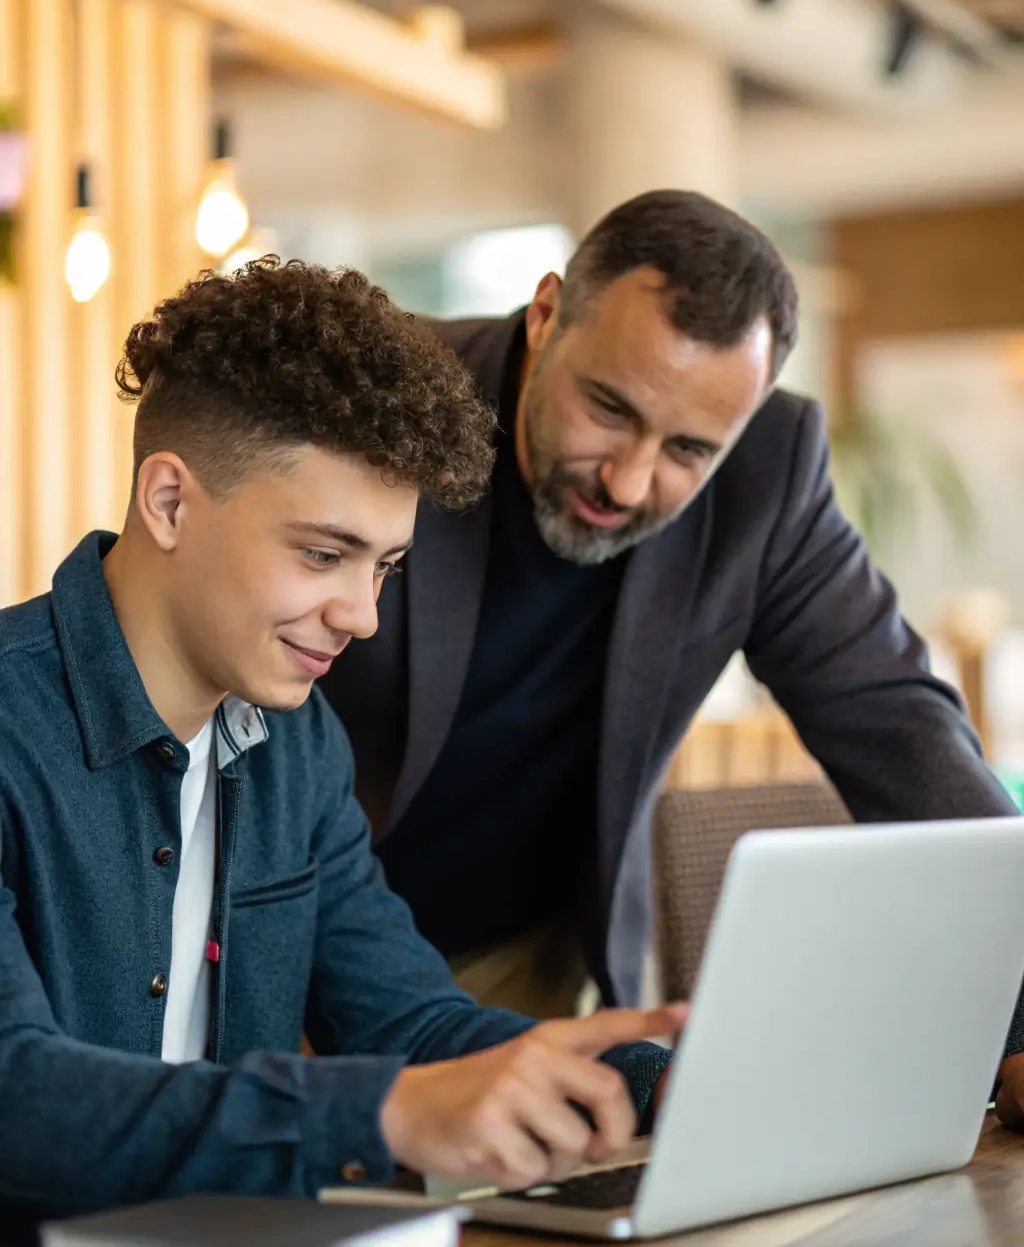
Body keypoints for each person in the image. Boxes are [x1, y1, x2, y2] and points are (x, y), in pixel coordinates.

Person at [0, 260, 683, 1225]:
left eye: (386, 567)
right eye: (324, 554)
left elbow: (409, 1019)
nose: (361, 616)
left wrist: (654, 1076)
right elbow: (17, 1095)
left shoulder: (298, 741)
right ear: (169, 501)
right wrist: (383, 1111)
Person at [320, 189, 1024, 1123]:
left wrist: (1018, 1015)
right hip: (304, 926)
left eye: (690, 447)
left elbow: (901, 724)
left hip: (519, 965)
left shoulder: (770, 473)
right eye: (609, 407)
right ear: (545, 314)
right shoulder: (386, 395)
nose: (629, 479)